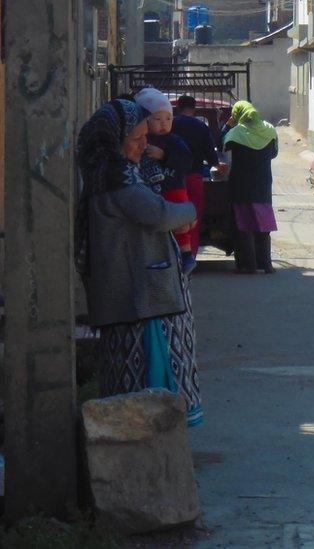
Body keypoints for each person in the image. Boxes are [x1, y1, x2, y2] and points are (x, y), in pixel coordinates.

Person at [75, 99, 203, 426]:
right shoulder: (117, 180)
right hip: (138, 301)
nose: (145, 144)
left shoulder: (114, 175)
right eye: (136, 138)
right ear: (113, 141)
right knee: (146, 383)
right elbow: (159, 214)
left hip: (135, 296)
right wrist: (187, 213)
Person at [134, 87, 197, 274]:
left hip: (173, 188)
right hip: (149, 191)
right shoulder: (139, 139)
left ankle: (186, 254)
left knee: (180, 222)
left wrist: (164, 155)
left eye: (168, 119)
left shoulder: (174, 140)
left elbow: (187, 162)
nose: (163, 124)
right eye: (158, 119)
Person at [221, 100, 279, 274]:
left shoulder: (237, 132)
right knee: (263, 226)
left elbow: (222, 142)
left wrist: (228, 124)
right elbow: (274, 153)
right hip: (262, 184)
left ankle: (248, 266)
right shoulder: (269, 129)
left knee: (244, 226)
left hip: (242, 185)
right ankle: (266, 265)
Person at [172, 95, 225, 261]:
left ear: (178, 108)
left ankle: (174, 256)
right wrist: (215, 164)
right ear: (194, 109)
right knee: (193, 219)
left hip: (172, 179)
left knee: (172, 218)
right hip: (194, 177)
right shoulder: (201, 126)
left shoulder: (169, 124)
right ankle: (190, 256)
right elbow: (212, 156)